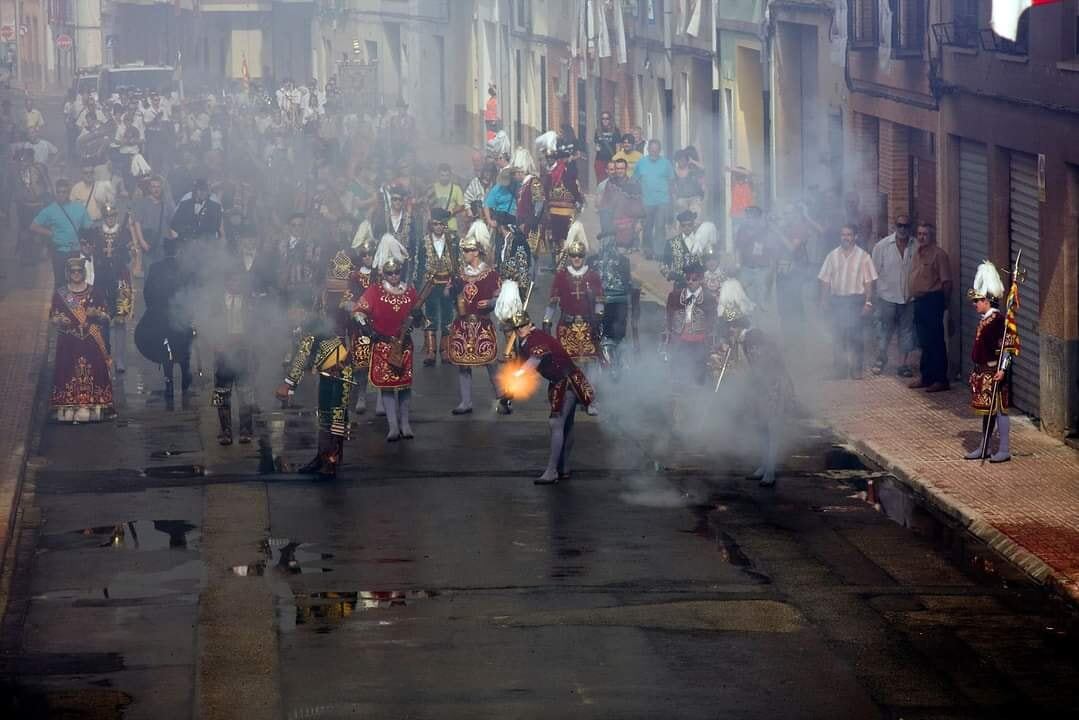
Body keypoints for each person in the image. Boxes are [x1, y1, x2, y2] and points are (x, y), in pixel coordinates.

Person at [510, 310, 596, 483]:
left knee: (556, 423)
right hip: (559, 381)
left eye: (522, 326)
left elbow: (534, 360)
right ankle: (563, 467)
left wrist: (516, 376)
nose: (519, 329)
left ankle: (552, 471)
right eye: (516, 327)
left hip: (566, 381)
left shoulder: (536, 338)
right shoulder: (526, 340)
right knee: (567, 424)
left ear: (529, 324)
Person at [352, 256, 423, 441]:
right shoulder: (375, 291)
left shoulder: (410, 291)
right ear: (384, 273)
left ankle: (405, 424)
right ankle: (392, 426)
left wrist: (418, 315)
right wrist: (366, 328)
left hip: (404, 345)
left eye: (397, 272)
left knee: (405, 385)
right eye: (390, 273)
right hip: (382, 344)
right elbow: (358, 311)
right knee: (387, 386)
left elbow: (422, 321)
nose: (394, 276)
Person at [275, 313, 353, 478]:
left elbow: (301, 360)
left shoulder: (310, 337)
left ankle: (332, 459)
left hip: (341, 375)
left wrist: (288, 385)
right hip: (327, 375)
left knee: (336, 418)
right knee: (324, 417)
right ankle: (322, 457)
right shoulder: (318, 333)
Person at [447, 234, 510, 414]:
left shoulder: (490, 274)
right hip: (462, 324)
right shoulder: (459, 274)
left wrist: (490, 303)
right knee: (463, 363)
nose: (464, 254)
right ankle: (466, 402)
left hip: (482, 323)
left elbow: (501, 298)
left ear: (476, 252)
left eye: (467, 251)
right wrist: (452, 290)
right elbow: (448, 295)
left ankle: (501, 396)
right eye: (463, 250)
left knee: (490, 361)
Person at [48, 257, 114, 423]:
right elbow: (53, 316)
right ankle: (69, 405)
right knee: (67, 371)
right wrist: (59, 320)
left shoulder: (95, 292)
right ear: (68, 274)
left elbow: (106, 316)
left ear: (83, 272)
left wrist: (97, 314)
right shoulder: (60, 294)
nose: (76, 274)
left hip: (91, 340)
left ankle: (93, 405)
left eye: (78, 271)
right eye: (73, 272)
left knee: (94, 371)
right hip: (69, 342)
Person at [964, 261, 1018, 463]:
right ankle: (984, 446)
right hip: (983, 372)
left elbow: (1008, 348)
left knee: (1001, 410)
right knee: (987, 412)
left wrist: (1003, 370)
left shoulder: (998, 321)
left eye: (978, 300)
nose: (975, 304)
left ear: (987, 301)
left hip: (995, 372)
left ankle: (1004, 448)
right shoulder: (987, 320)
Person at [544, 232, 603, 414]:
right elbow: (553, 302)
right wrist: (547, 322)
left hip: (588, 326)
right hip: (566, 327)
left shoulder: (593, 276)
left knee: (591, 364)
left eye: (580, 256)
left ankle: (590, 400)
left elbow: (600, 302)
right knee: (564, 365)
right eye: (573, 255)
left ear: (584, 257)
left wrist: (599, 320)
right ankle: (561, 398)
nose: (577, 259)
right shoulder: (561, 276)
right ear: (569, 257)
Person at [137, 237, 195, 410]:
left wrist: (153, 310)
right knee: (184, 349)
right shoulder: (186, 269)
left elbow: (147, 292)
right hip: (181, 315)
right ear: (179, 251)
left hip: (160, 315)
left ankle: (169, 383)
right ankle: (185, 378)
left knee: (166, 349)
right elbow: (192, 293)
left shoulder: (155, 268)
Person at [817, 224, 878, 379]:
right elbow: (825, 279)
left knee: (856, 336)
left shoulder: (864, 257)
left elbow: (869, 282)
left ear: (855, 236)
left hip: (856, 300)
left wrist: (868, 302)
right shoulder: (832, 256)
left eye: (849, 234)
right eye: (843, 234)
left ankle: (856, 369)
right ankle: (840, 369)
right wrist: (823, 300)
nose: (846, 237)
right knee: (838, 336)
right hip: (837, 301)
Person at [213, 251, 259, 447]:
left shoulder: (250, 301)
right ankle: (224, 430)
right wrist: (215, 343)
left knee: (245, 392)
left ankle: (246, 429)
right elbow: (208, 325)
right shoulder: (216, 302)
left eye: (239, 280)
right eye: (232, 280)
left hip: (243, 350)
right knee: (221, 394)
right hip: (222, 351)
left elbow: (258, 327)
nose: (235, 284)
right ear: (226, 282)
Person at [83, 204, 135, 373]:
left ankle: (120, 360)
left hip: (120, 279)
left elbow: (131, 255)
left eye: (113, 216)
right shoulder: (97, 233)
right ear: (104, 218)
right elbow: (90, 254)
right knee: (102, 318)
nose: (110, 219)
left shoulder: (125, 232)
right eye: (108, 217)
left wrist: (129, 251)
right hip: (102, 280)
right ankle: (104, 355)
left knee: (120, 320)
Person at [870, 214, 916, 377]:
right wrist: (872, 297)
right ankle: (881, 358)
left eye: (906, 226)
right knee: (884, 329)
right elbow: (873, 273)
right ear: (894, 226)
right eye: (899, 225)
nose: (902, 229)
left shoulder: (916, 246)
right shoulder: (882, 246)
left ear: (910, 227)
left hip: (909, 298)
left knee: (906, 331)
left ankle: (903, 364)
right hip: (886, 297)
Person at [908, 222, 952, 392]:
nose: (921, 237)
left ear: (932, 236)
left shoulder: (939, 255)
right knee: (923, 341)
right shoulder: (917, 254)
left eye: (925, 234)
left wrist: (944, 303)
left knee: (935, 341)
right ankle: (926, 376)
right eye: (919, 234)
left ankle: (941, 379)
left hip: (933, 300)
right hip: (919, 301)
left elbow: (946, 282)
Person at [415, 208, 460, 366]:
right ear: (431, 225)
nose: (438, 227)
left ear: (445, 225)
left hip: (447, 283)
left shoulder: (453, 240)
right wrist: (417, 287)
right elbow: (419, 266)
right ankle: (431, 351)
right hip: (431, 285)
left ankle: (445, 350)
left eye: (441, 224)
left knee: (448, 317)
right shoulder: (424, 241)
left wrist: (455, 283)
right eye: (435, 224)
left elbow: (458, 263)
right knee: (430, 316)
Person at [664, 262, 718, 388]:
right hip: (680, 337)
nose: (690, 282)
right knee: (678, 367)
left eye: (694, 279)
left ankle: (698, 395)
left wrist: (710, 339)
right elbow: (668, 317)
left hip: (699, 340)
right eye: (688, 278)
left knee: (698, 370)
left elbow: (713, 320)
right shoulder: (675, 296)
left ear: (701, 280)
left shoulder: (709, 298)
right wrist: (667, 334)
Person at [31, 179, 92, 287]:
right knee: (60, 283)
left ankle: (75, 303)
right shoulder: (50, 210)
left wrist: (87, 245)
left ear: (68, 193)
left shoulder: (79, 208)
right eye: (59, 192)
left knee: (77, 281)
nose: (61, 195)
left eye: (64, 192)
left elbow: (88, 228)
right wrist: (50, 233)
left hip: (76, 251)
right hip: (59, 252)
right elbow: (34, 226)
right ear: (56, 193)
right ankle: (62, 304)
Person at [537, 131, 582, 265]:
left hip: (567, 211)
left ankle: (564, 262)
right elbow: (544, 191)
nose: (550, 160)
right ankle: (557, 262)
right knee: (554, 238)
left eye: (552, 158)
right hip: (552, 211)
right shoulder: (547, 172)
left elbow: (574, 187)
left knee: (566, 238)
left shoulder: (566, 171)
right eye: (548, 158)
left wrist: (579, 201)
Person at [593, 231, 635, 374]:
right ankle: (608, 362)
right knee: (605, 332)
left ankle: (617, 361)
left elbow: (627, 282)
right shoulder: (593, 260)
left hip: (616, 302)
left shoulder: (623, 261)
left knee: (615, 333)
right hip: (603, 302)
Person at [635, 139, 674, 260]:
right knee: (647, 227)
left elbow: (671, 181)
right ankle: (648, 249)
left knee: (660, 226)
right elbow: (635, 180)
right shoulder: (641, 163)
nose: (654, 153)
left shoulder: (666, 163)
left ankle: (659, 252)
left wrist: (672, 198)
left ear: (660, 151)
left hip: (662, 200)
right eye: (652, 150)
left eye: (656, 151)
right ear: (648, 150)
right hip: (646, 201)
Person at [13, 147, 51, 260]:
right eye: (21, 160)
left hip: (39, 205)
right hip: (24, 206)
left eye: (25, 159)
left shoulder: (39, 168)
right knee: (26, 230)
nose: (23, 162)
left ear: (31, 159)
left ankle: (44, 250)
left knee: (41, 229)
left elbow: (47, 184)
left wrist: (48, 198)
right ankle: (27, 255)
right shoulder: (17, 172)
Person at [132, 175, 177, 265]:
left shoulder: (166, 204)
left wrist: (174, 239)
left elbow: (172, 223)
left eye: (158, 187)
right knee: (149, 274)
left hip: (164, 246)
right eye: (153, 187)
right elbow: (137, 223)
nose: (156, 189)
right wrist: (142, 242)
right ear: (149, 188)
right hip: (149, 245)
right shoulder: (142, 203)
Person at [600, 158, 643, 250]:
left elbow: (638, 204)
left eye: (622, 168)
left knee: (628, 252)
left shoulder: (633, 183)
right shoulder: (610, 183)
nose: (620, 171)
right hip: (613, 221)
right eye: (618, 168)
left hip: (629, 222)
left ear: (626, 169)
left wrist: (639, 223)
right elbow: (605, 203)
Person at [170, 178, 223, 245]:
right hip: (186, 245)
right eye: (200, 190)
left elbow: (215, 227)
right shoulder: (184, 204)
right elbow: (174, 223)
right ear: (195, 190)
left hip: (206, 247)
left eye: (205, 190)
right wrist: (186, 233)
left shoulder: (215, 207)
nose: (203, 193)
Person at [429, 163, 466, 234]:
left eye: (447, 176)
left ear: (450, 176)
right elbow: (427, 206)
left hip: (451, 227)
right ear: (438, 175)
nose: (444, 178)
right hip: (436, 227)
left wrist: (451, 212)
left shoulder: (456, 188)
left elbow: (461, 205)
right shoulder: (432, 188)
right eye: (442, 175)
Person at [672, 148, 705, 218]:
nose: (682, 161)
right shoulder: (674, 172)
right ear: (677, 161)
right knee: (683, 220)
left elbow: (703, 168)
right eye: (680, 160)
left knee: (695, 219)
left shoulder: (692, 169)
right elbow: (672, 187)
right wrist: (674, 200)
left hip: (694, 198)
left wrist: (692, 161)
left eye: (684, 159)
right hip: (681, 200)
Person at [592, 111, 621, 183]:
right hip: (600, 159)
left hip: (611, 160)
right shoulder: (598, 131)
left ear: (610, 120)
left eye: (607, 118)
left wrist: (616, 160)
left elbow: (618, 146)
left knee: (612, 181)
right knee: (601, 181)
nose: (605, 120)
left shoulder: (615, 131)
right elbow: (596, 144)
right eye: (603, 118)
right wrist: (596, 147)